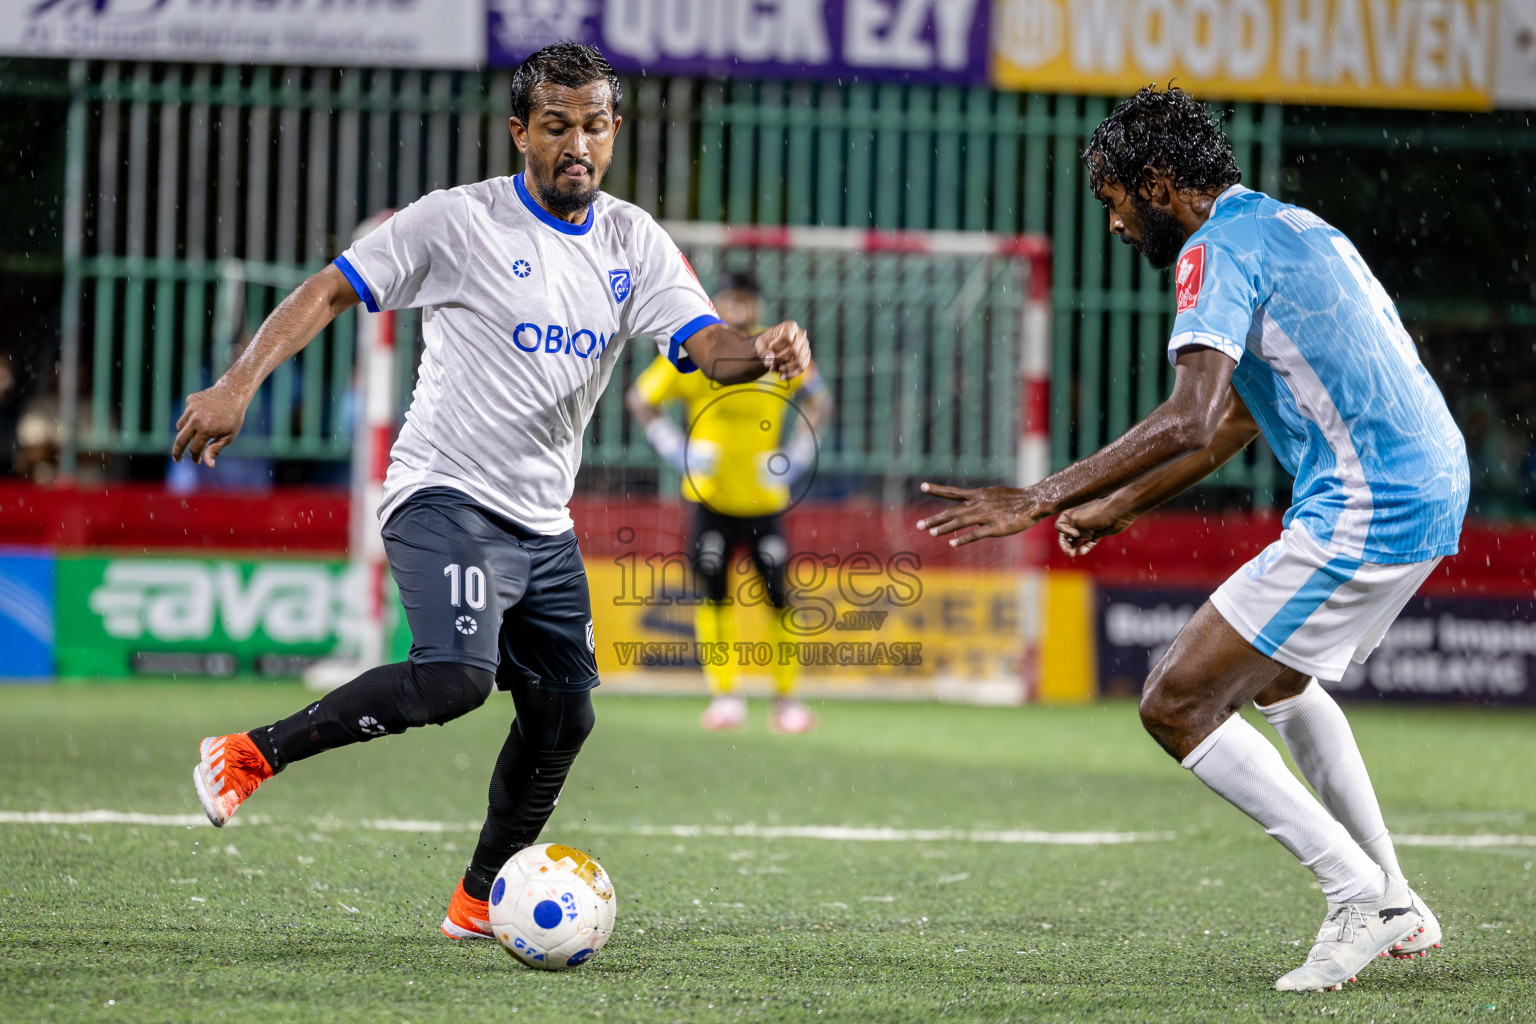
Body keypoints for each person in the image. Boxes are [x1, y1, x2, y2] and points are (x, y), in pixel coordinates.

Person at [172, 42, 809, 942]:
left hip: (542, 523)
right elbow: (329, 290)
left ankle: (475, 901)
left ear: (615, 131)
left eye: (594, 125)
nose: (576, 144)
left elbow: (704, 346)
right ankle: (248, 754)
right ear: (520, 132)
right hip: (442, 493)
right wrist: (240, 383)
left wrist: (764, 351)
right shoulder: (456, 223)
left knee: (564, 716)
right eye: (556, 126)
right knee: (458, 678)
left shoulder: (634, 240)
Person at [915, 86, 1468, 993]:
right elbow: (1239, 422)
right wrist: (1125, 505)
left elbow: (1188, 416)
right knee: (1282, 678)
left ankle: (1359, 895)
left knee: (1174, 703)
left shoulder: (1211, 252)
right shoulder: (1293, 228)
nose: (1117, 226)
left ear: (1160, 184)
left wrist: (1041, 497)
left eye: (1115, 202)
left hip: (1371, 499)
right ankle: (1395, 897)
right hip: (1425, 483)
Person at [626, 270, 832, 733]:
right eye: (729, 301)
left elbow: (819, 400)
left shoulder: (777, 352)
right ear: (715, 304)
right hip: (710, 498)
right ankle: (725, 696)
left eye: (745, 301)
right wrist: (675, 448)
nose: (737, 310)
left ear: (758, 306)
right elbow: (640, 398)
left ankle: (787, 700)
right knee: (713, 596)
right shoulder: (698, 352)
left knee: (779, 598)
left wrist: (797, 454)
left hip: (764, 500)